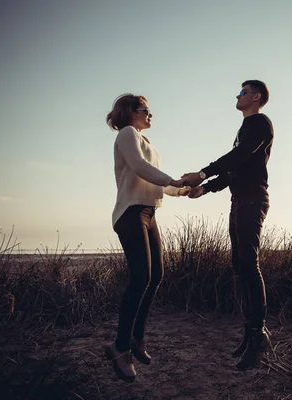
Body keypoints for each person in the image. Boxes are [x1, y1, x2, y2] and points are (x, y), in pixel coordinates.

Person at [181, 80, 274, 370]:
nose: (238, 95)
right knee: (240, 266)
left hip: (252, 201)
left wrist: (203, 172)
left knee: (250, 264)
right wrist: (206, 188)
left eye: (243, 92)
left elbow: (240, 156)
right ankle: (250, 334)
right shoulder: (245, 128)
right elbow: (235, 168)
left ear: (256, 97)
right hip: (239, 201)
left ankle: (258, 337)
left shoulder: (260, 123)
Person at [105, 94, 189, 382]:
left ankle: (137, 340)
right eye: (145, 110)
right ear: (131, 112)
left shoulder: (146, 141)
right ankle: (120, 348)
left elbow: (152, 179)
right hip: (130, 213)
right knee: (141, 277)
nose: (150, 114)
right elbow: (140, 168)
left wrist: (182, 190)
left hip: (149, 213)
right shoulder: (128, 134)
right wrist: (172, 180)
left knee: (156, 276)